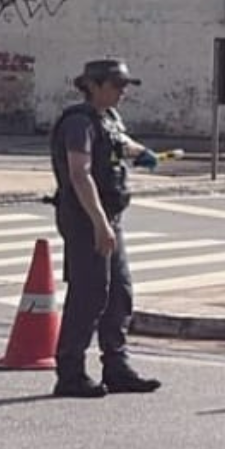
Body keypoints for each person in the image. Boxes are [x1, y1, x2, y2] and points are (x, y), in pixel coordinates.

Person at [48, 59, 162, 398]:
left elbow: (120, 143)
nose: (122, 91)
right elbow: (79, 174)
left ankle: (117, 366)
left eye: (124, 85)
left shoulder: (107, 120)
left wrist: (142, 153)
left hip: (109, 217)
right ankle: (70, 372)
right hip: (86, 219)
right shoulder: (79, 123)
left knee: (119, 293)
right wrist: (99, 223)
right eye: (116, 85)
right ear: (93, 86)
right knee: (90, 293)